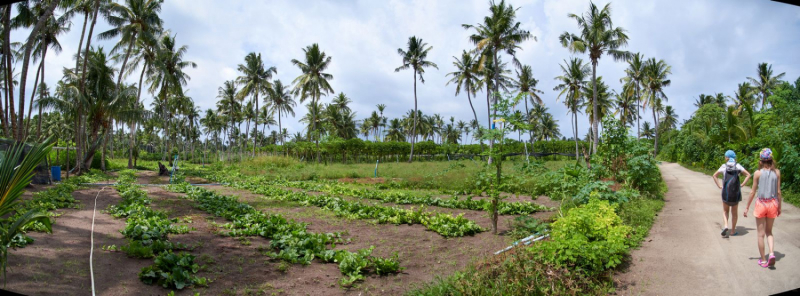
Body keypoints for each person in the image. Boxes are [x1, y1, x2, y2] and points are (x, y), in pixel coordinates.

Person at [744, 148, 782, 268]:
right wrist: (779, 207)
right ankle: (771, 253)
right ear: (772, 160)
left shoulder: (757, 173)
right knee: (769, 232)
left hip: (761, 204)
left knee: (760, 234)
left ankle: (764, 260)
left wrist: (747, 207)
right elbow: (779, 192)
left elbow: (752, 192)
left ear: (761, 161)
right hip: (773, 204)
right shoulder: (777, 172)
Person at [712, 150, 750, 238]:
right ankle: (733, 231)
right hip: (735, 194)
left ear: (727, 158)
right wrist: (742, 184)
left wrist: (719, 186)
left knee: (725, 211)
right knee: (734, 213)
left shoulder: (724, 166)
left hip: (726, 193)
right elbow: (748, 175)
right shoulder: (738, 166)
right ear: (734, 157)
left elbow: (714, 175)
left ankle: (725, 226)